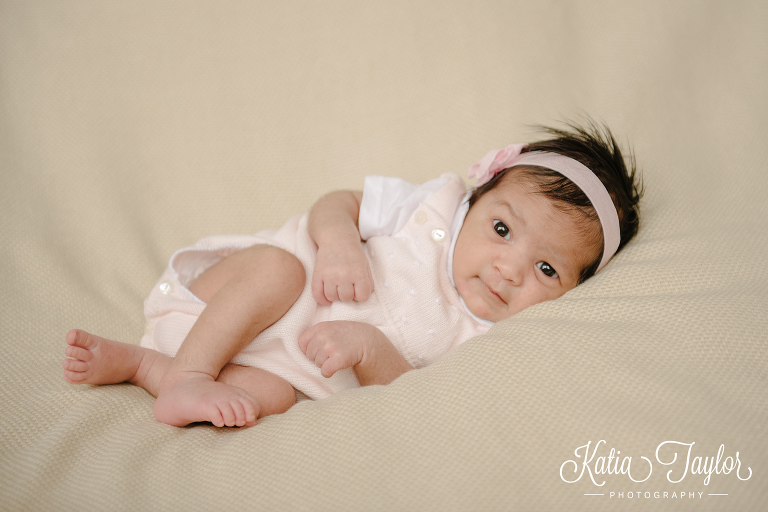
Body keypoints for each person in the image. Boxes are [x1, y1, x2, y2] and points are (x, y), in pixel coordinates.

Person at [62, 121, 642, 428]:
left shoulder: (490, 342)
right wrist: (339, 241)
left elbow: (407, 394)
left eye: (546, 269)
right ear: (474, 201)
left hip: (269, 362)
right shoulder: (431, 207)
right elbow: (336, 202)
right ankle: (188, 371)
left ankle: (146, 367)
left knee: (273, 398)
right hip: (225, 306)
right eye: (501, 229)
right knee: (280, 269)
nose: (508, 269)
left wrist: (369, 349)